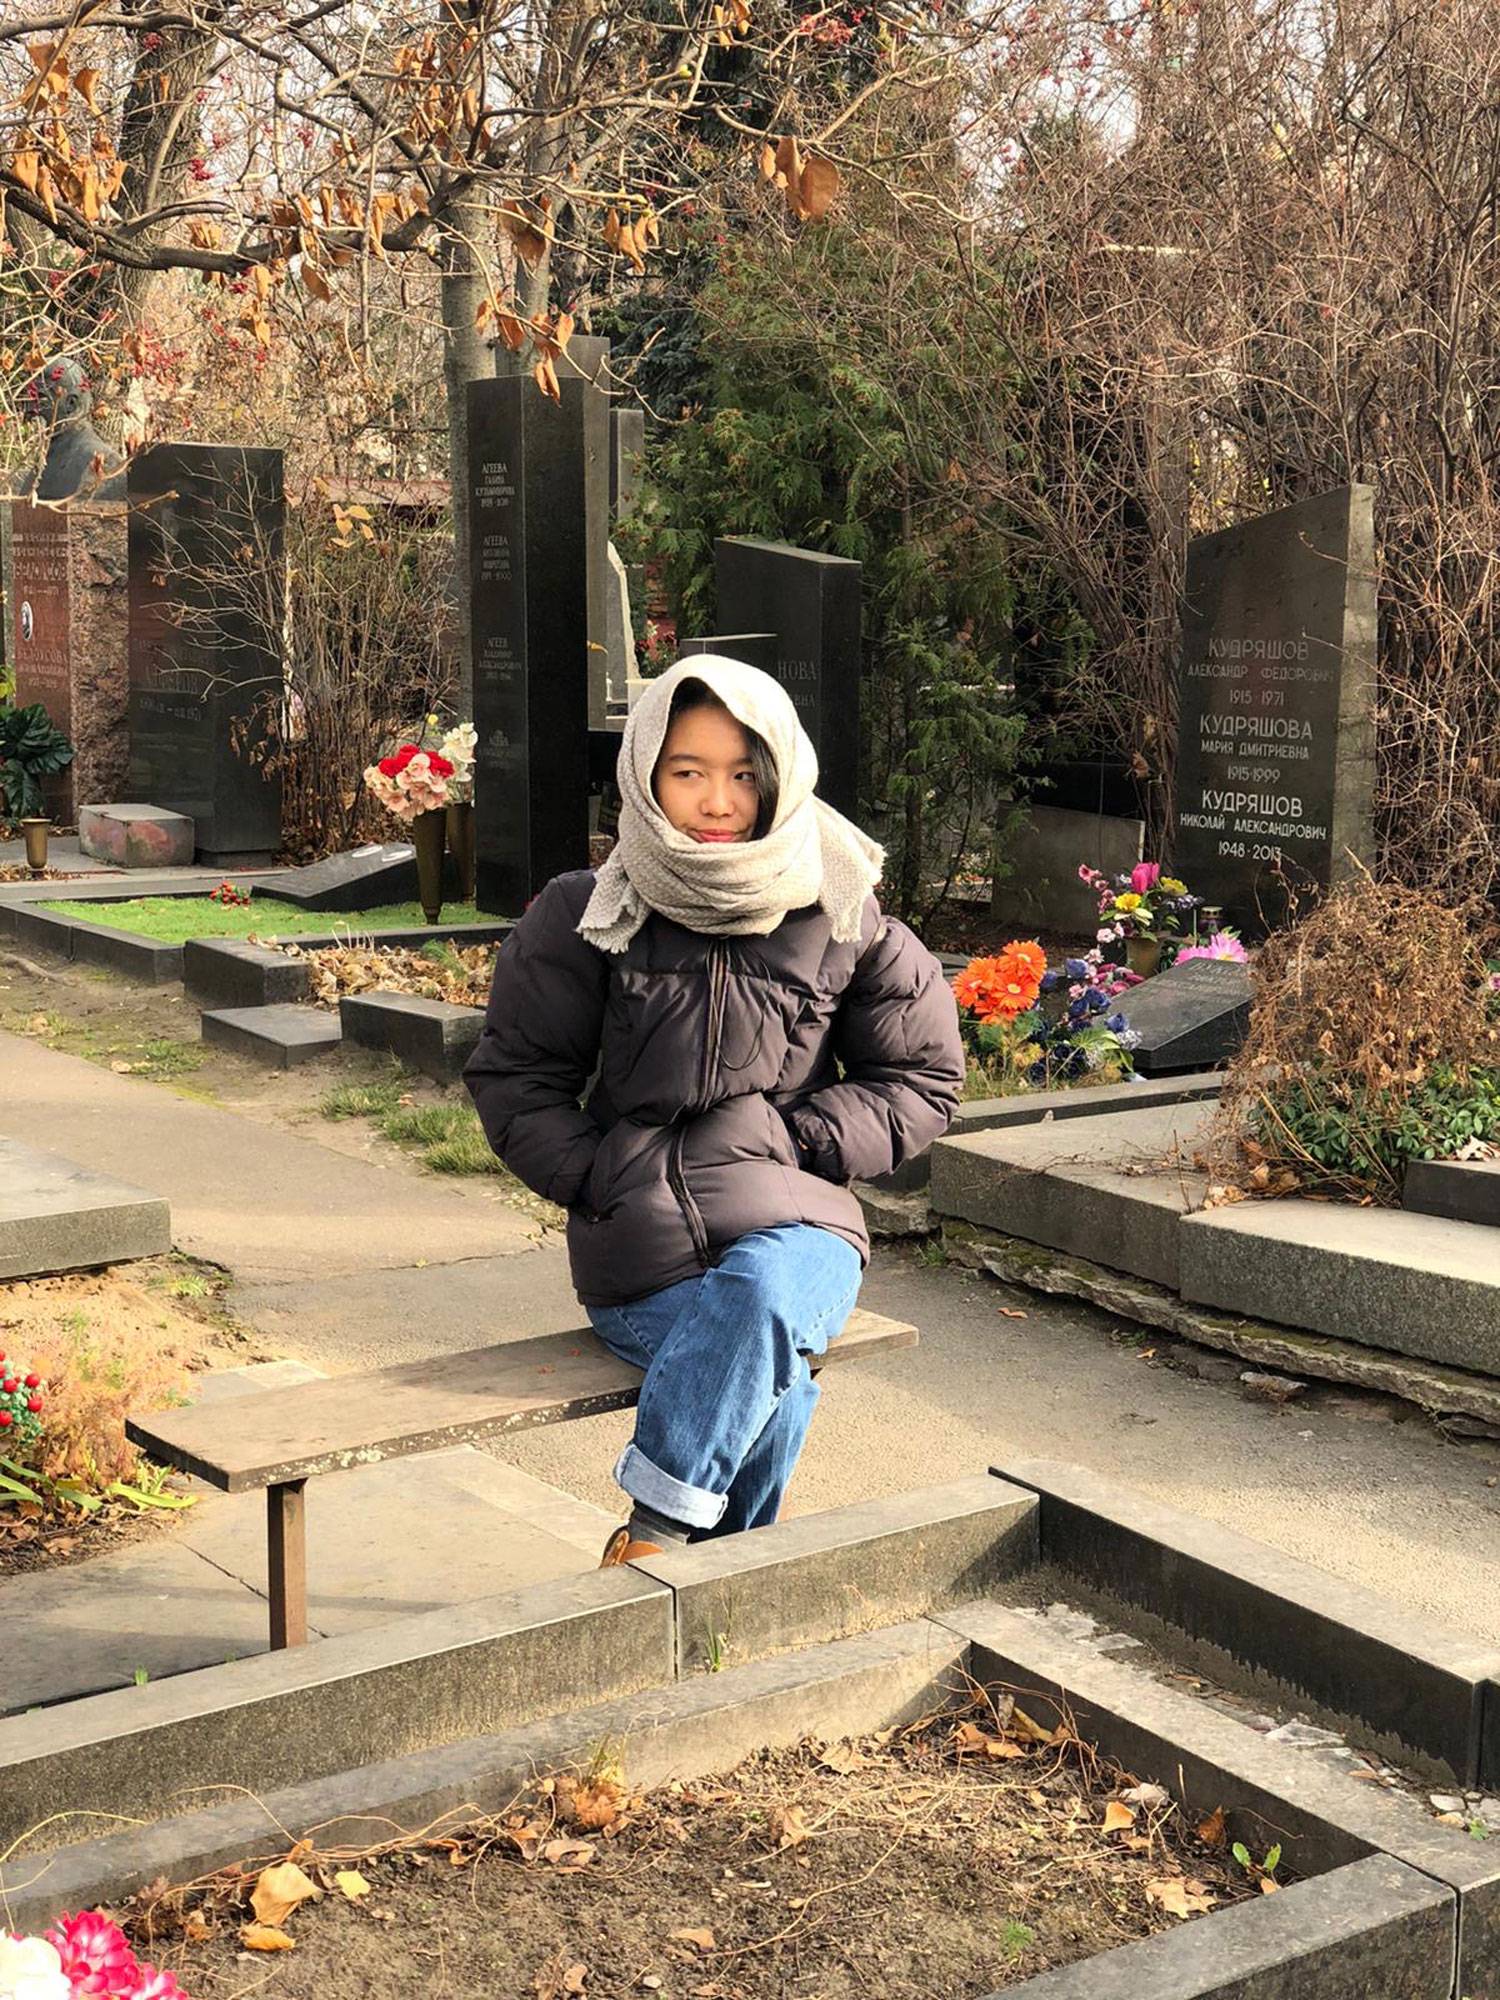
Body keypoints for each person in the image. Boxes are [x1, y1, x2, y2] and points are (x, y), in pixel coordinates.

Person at [464, 655, 964, 1563]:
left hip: (800, 1230)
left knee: (768, 1295)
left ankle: (654, 1537)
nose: (718, 800)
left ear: (779, 776)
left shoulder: (844, 909)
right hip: (643, 1252)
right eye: (688, 772)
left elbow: (923, 1078)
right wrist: (598, 1177)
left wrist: (794, 1139)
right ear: (648, 776)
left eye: (742, 774)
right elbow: (516, 1077)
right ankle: (714, 1593)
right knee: (778, 1393)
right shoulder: (589, 911)